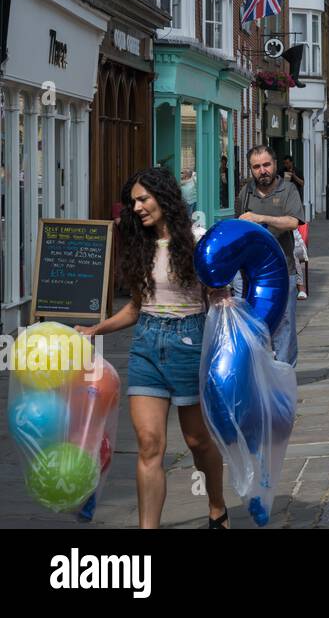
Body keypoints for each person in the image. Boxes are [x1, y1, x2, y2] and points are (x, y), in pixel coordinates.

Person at [76, 167, 231, 528]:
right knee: (148, 444)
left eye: (143, 199)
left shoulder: (196, 241)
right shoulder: (140, 247)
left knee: (197, 441)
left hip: (189, 343)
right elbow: (136, 307)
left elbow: (218, 294)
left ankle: (217, 506)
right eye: (133, 203)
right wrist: (97, 328)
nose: (138, 207)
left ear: (164, 197)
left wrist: (223, 299)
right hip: (146, 344)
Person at [235, 145, 307, 367]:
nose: (262, 171)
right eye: (256, 167)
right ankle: (262, 375)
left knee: (284, 325)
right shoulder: (245, 192)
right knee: (255, 325)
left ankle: (285, 374)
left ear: (274, 164)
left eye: (266, 165)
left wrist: (260, 218)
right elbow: (238, 224)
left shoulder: (288, 190)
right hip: (251, 274)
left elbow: (293, 221)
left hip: (283, 270)